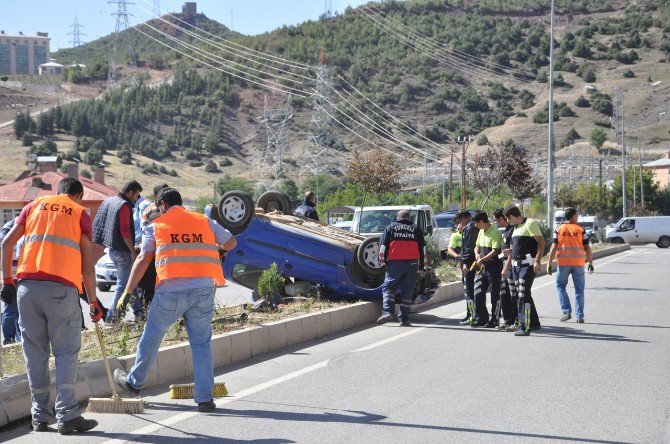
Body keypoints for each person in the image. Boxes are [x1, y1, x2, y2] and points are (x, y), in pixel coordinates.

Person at [113, 188, 237, 412]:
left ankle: (133, 383)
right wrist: (214, 249)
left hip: (170, 291)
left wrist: (127, 291)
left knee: (152, 338)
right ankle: (205, 399)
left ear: (162, 205)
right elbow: (231, 243)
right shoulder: (204, 221)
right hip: (202, 291)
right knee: (201, 345)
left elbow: (143, 258)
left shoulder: (156, 226)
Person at [1, 177, 102, 434]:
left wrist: (6, 281)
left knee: (35, 354)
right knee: (66, 352)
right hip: (61, 290)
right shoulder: (79, 213)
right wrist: (93, 301)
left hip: (27, 289)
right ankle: (67, 415)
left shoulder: (33, 206)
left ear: (59, 192)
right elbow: (88, 268)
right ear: (78, 196)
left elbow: (6, 243)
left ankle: (40, 417)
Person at [92, 180, 142, 322]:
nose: (136, 199)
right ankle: (113, 318)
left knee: (131, 283)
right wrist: (132, 251)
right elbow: (125, 230)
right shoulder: (124, 206)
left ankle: (139, 312)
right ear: (130, 192)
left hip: (112, 250)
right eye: (135, 195)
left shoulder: (110, 201)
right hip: (123, 251)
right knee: (123, 284)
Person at [376, 209, 426, 327]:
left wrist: (382, 262)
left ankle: (388, 312)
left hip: (394, 262)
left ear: (397, 218)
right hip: (412, 264)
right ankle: (404, 319)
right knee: (407, 291)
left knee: (389, 287)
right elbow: (422, 249)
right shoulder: (416, 229)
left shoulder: (390, 227)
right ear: (409, 218)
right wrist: (422, 266)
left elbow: (382, 246)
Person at [502, 205, 545, 336]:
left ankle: (524, 326)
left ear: (512, 217)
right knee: (525, 295)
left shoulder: (530, 224)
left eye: (508, 219)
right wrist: (507, 266)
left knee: (522, 296)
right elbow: (513, 250)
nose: (508, 222)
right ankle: (535, 323)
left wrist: (537, 261)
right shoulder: (515, 228)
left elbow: (541, 243)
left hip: (527, 266)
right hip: (516, 267)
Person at [547, 207, 594, 323]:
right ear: (572, 216)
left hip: (563, 264)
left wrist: (549, 262)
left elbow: (553, 247)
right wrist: (591, 262)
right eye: (577, 215)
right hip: (578, 264)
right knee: (579, 290)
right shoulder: (581, 230)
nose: (577, 217)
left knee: (560, 286)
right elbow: (587, 248)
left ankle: (567, 311)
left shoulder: (558, 230)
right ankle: (580, 316)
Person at [472, 211, 504, 328]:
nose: (475, 225)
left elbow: (495, 250)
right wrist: (477, 254)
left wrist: (482, 259)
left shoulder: (495, 232)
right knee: (478, 291)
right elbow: (477, 246)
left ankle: (495, 319)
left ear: (481, 222)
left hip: (494, 267)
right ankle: (481, 317)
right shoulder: (481, 231)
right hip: (482, 267)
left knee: (495, 295)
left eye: (476, 223)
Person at [493, 208, 518, 331]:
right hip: (504, 265)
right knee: (504, 295)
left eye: (496, 220)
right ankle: (507, 320)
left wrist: (506, 267)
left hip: (509, 267)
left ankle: (516, 320)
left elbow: (512, 252)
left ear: (502, 219)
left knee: (513, 295)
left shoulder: (513, 230)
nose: (495, 223)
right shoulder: (507, 230)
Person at [455, 210, 479, 326]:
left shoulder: (469, 228)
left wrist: (465, 263)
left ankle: (472, 315)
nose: (459, 224)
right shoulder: (470, 227)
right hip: (472, 263)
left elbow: (468, 248)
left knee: (469, 291)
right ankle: (471, 314)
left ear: (464, 219)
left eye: (459, 221)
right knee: (470, 291)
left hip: (469, 265)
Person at [0, 219, 21, 344]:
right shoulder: (24, 225)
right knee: (13, 308)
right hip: (16, 274)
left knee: (11, 308)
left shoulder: (8, 226)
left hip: (10, 273)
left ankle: (9, 340)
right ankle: (11, 339)